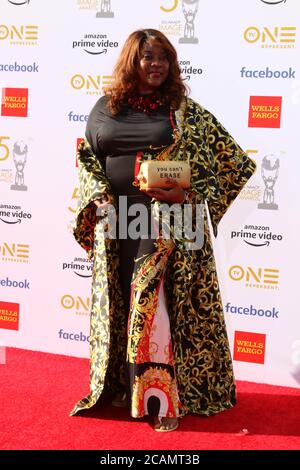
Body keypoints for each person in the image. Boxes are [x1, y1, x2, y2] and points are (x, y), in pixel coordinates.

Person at [70, 28, 256, 432]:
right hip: (117, 220)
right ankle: (127, 388)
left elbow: (231, 164)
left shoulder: (184, 112)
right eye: (147, 57)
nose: (155, 65)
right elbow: (88, 158)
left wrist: (186, 195)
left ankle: (164, 397)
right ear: (131, 62)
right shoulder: (105, 107)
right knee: (123, 302)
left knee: (154, 306)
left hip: (170, 223)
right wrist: (98, 195)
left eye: (163, 58)